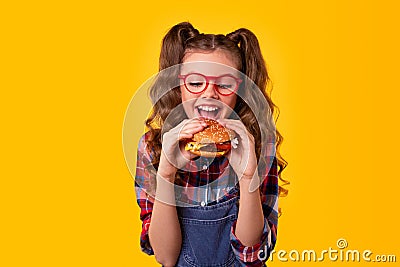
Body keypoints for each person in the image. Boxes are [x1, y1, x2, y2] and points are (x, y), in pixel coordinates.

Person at [134, 22, 288, 267]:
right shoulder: (154, 147)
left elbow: (251, 257)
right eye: (195, 83)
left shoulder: (259, 145)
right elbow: (166, 257)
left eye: (225, 85)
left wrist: (248, 177)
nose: (209, 94)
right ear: (178, 85)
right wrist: (166, 173)